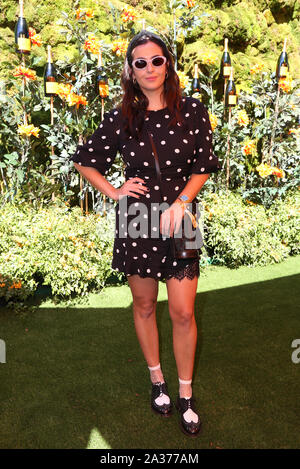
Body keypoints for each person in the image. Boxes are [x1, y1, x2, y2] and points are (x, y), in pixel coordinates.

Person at [70, 30, 221, 437]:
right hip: (136, 217)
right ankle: (158, 381)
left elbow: (204, 164)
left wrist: (181, 203)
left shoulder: (191, 109)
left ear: (167, 64)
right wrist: (117, 193)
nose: (150, 68)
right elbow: (85, 161)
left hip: (182, 217)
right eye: (141, 62)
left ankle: (185, 393)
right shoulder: (122, 117)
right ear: (131, 71)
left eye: (156, 60)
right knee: (144, 305)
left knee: (184, 312)